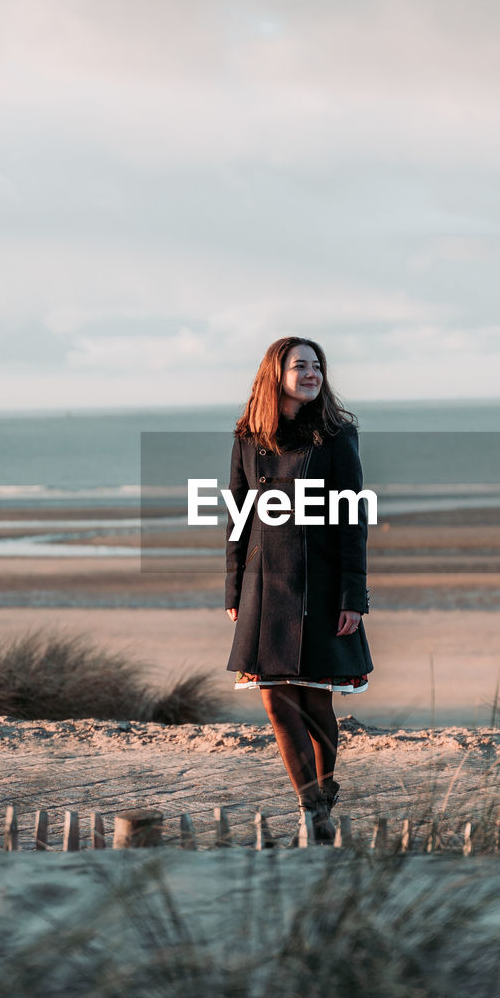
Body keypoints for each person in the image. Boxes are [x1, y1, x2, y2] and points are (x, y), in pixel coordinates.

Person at [225, 336, 373, 843]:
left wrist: (354, 596)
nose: (312, 374)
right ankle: (313, 810)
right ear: (276, 373)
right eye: (300, 366)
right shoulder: (248, 436)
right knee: (275, 701)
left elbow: (353, 518)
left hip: (320, 585)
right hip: (263, 587)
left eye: (317, 366)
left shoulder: (336, 435)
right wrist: (233, 588)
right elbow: (238, 516)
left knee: (313, 701)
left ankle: (323, 794)